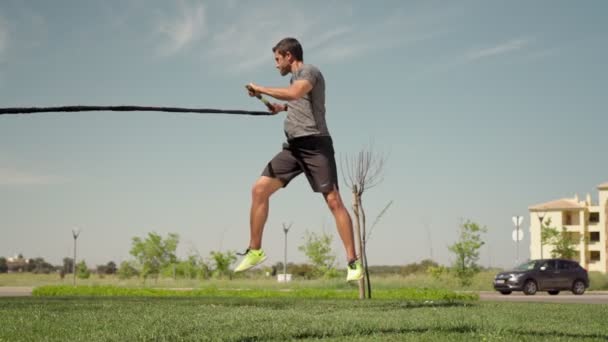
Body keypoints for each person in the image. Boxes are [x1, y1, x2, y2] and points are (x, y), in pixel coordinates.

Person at [234, 37, 362, 281]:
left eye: (277, 59)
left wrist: (260, 88)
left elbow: (294, 94)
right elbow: (296, 103)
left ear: (289, 56)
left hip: (316, 145)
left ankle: (353, 262)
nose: (276, 65)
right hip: (293, 148)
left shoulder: (309, 72)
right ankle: (255, 249)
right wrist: (278, 108)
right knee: (259, 189)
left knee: (334, 200)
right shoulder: (295, 79)